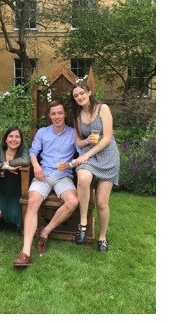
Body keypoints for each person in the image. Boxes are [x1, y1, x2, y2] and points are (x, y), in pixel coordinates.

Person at [12, 100, 79, 267]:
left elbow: (82, 155)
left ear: (65, 114)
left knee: (73, 201)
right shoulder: (42, 132)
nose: (57, 116)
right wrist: (35, 166)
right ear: (50, 116)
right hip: (44, 174)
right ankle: (25, 252)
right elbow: (33, 152)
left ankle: (45, 231)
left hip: (63, 175)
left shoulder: (73, 133)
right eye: (53, 114)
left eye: (60, 113)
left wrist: (71, 164)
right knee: (33, 201)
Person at [70, 80, 120, 252]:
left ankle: (102, 237)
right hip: (90, 154)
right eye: (76, 95)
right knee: (83, 177)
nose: (79, 97)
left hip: (107, 155)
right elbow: (79, 141)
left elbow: (107, 138)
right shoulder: (76, 116)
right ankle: (83, 223)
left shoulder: (103, 108)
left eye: (82, 93)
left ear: (89, 92)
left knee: (101, 202)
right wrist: (86, 141)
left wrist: (86, 155)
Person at [0, 126, 30, 231]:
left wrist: (9, 163)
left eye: (17, 137)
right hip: (0, 191)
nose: (14, 139)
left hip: (17, 193)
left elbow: (25, 161)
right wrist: (5, 167)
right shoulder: (0, 151)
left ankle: (7, 219)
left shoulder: (23, 152)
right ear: (6, 139)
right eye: (11, 136)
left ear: (21, 140)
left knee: (16, 216)